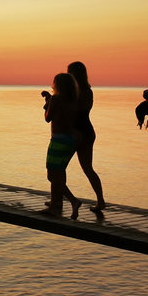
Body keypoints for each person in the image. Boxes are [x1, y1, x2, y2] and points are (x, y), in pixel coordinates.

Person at [67, 61, 106, 212]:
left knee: (57, 168)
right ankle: (101, 201)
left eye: (70, 72)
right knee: (88, 169)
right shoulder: (87, 90)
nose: (68, 75)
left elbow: (74, 111)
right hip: (87, 131)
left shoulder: (78, 91)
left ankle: (56, 200)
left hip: (77, 132)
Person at [41, 73, 81, 219]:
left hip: (58, 141)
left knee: (52, 175)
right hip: (71, 140)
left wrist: (48, 102)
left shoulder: (57, 99)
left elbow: (48, 117)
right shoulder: (72, 100)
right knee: (60, 173)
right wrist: (49, 100)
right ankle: (56, 203)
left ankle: (72, 201)